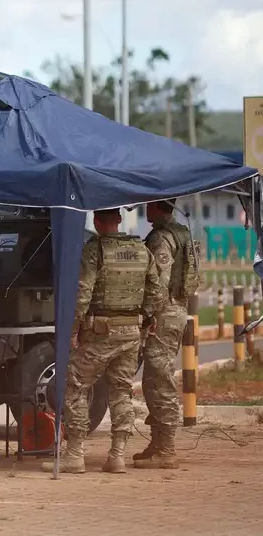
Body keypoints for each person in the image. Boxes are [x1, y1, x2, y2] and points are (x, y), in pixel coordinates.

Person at [42, 209, 167, 474]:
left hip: (99, 333)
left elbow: (83, 293)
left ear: (97, 222)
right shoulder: (142, 250)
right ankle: (117, 455)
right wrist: (145, 318)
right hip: (131, 333)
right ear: (120, 220)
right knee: (121, 391)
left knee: (75, 385)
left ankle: (75, 454)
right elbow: (157, 293)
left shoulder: (94, 251)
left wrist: (72, 329)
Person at [135, 199, 198, 469]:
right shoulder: (182, 232)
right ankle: (158, 443)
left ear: (157, 206)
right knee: (153, 378)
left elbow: (160, 283)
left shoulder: (162, 238)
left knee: (159, 378)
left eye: (148, 205)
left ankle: (167, 449)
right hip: (176, 309)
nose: (144, 209)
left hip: (165, 312)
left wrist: (148, 314)